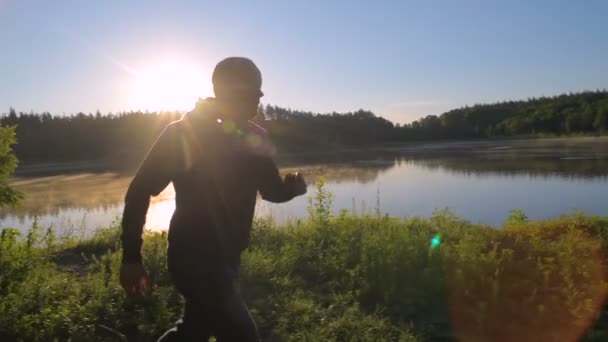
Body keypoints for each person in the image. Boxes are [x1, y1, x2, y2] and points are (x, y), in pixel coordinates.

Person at [119, 57, 307, 341]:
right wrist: (131, 259)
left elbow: (271, 191)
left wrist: (292, 188)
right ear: (227, 91)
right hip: (191, 258)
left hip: (228, 257)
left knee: (194, 330)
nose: (260, 96)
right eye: (253, 89)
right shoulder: (183, 133)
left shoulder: (255, 135)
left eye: (260, 89)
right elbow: (139, 190)